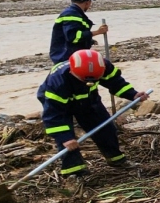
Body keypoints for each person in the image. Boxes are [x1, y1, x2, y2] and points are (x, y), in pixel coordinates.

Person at [38, 49, 147, 178]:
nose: (89, 83)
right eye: (84, 81)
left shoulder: (103, 66)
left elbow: (116, 82)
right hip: (62, 104)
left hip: (88, 100)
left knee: (106, 128)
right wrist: (64, 137)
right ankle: (74, 172)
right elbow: (53, 114)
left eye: (94, 80)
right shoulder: (57, 83)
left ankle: (116, 159)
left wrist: (132, 94)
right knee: (68, 141)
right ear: (73, 72)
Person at [49, 0, 109, 65]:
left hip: (69, 56)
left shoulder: (74, 13)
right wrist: (97, 32)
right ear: (87, 2)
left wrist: (89, 41)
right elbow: (74, 37)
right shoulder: (71, 14)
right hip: (66, 57)